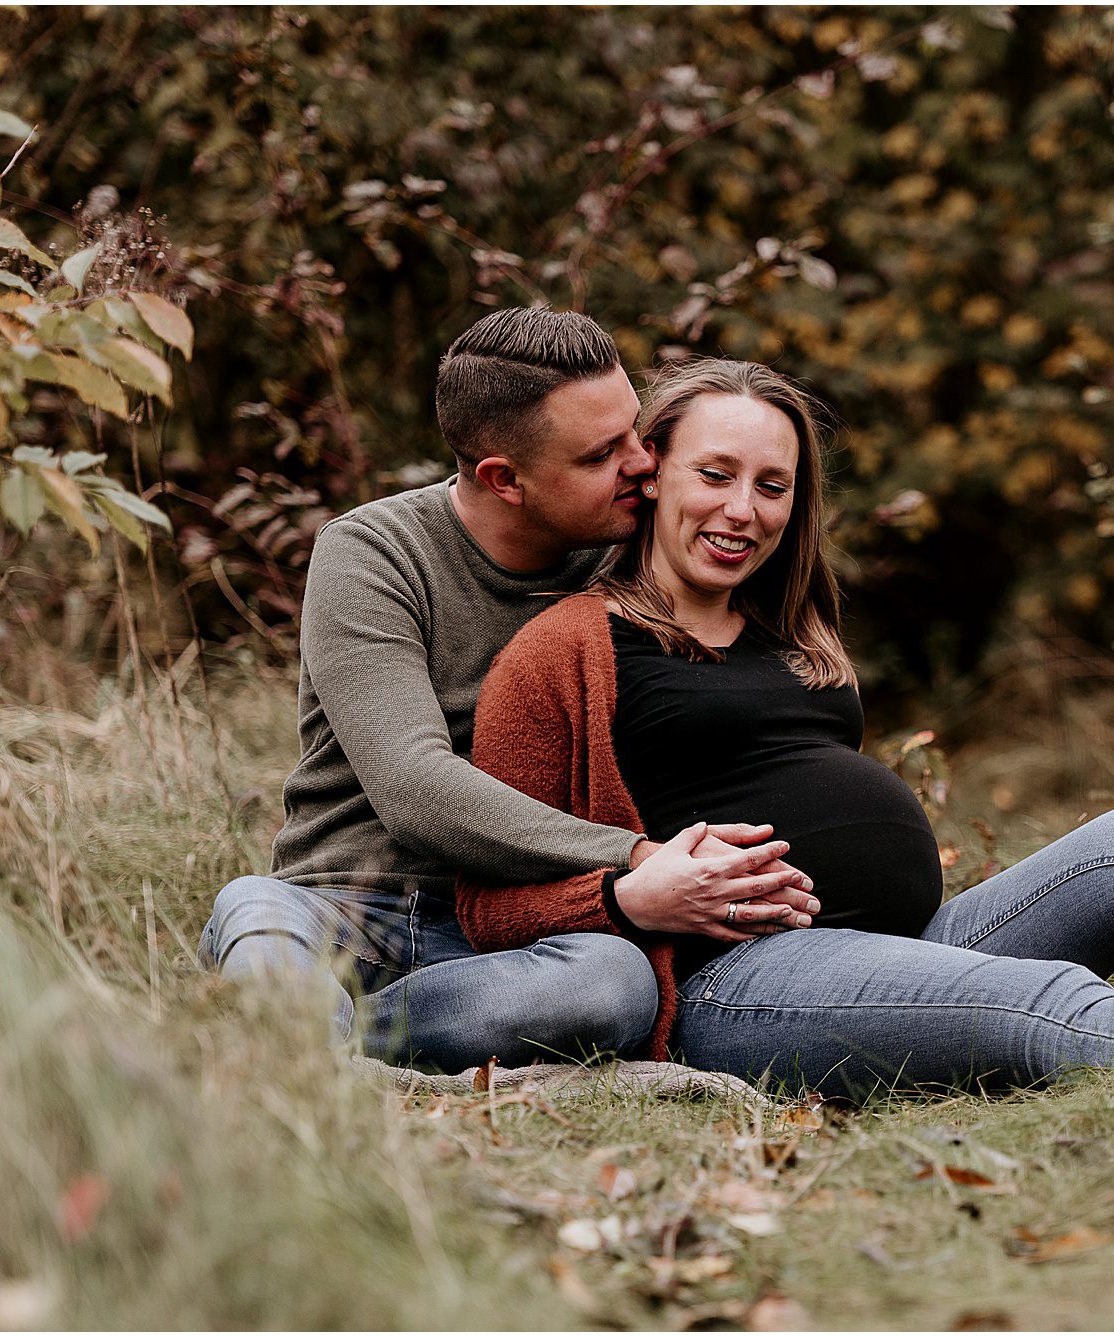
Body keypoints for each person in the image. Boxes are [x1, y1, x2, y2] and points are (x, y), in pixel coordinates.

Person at [457, 359, 1114, 1097]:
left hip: (904, 947)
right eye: (715, 474)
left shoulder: (787, 632)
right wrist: (625, 897)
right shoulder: (564, 650)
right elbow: (489, 908)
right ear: (653, 473)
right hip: (741, 983)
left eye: (773, 486)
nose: (744, 510)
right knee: (1044, 1000)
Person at [196, 311, 819, 1073]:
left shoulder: (630, 558)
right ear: (504, 479)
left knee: (613, 983)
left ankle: (340, 1042)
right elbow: (414, 786)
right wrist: (636, 856)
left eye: (635, 433)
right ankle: (305, 1041)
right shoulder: (375, 552)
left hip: (505, 935)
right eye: (601, 454)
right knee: (255, 907)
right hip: (345, 907)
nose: (643, 464)